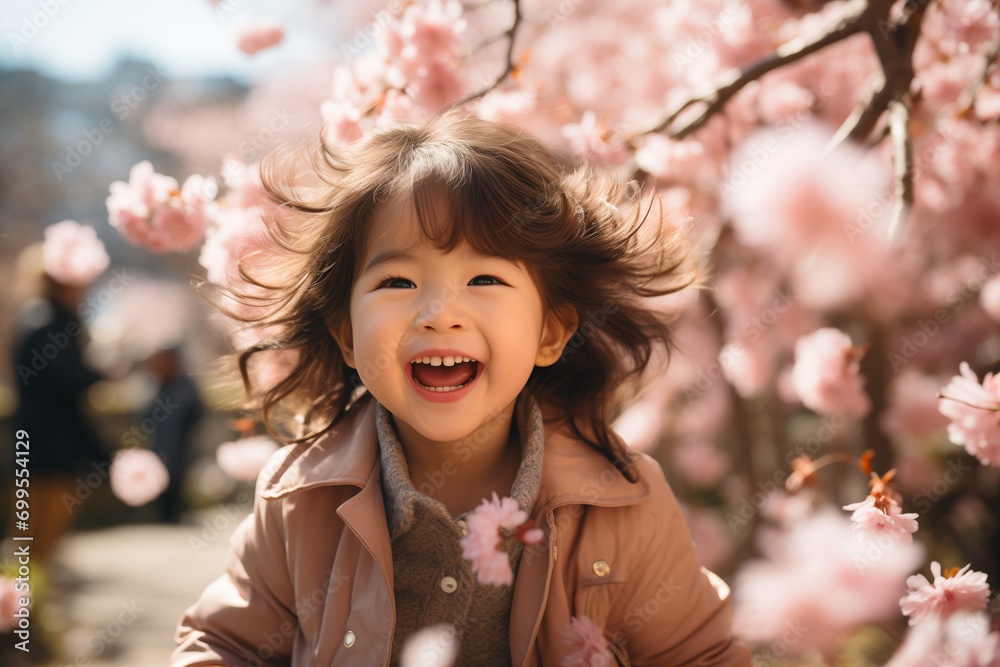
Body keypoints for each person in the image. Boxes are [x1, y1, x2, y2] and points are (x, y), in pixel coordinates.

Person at [171, 113, 751, 666]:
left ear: (550, 332)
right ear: (347, 336)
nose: (440, 314)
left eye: (485, 278)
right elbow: (226, 645)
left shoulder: (621, 502)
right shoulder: (300, 499)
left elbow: (697, 655)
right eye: (397, 281)